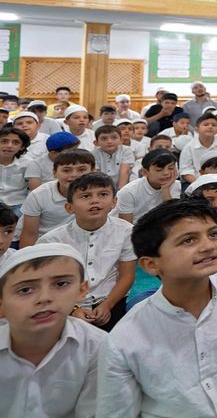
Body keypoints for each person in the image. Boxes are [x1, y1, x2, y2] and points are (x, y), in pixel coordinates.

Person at [97, 200, 217, 417]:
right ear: (151, 265)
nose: (209, 246)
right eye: (189, 240)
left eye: (213, 234)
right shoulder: (124, 340)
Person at [0, 243, 105, 418]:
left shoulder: (98, 348)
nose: (45, 298)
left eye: (61, 284)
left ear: (82, 290)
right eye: (25, 290)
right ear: (1, 302)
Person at [37, 173, 134, 331]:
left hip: (112, 301)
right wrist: (74, 309)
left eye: (103, 194)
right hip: (65, 304)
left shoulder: (126, 231)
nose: (95, 200)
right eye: (85, 196)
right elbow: (47, 283)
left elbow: (127, 275)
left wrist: (107, 305)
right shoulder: (51, 241)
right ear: (70, 207)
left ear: (114, 202)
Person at [19, 148, 94, 246]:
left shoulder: (100, 194)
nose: (74, 175)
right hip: (46, 244)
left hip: (83, 243)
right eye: (66, 170)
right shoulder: (39, 195)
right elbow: (29, 234)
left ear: (93, 171)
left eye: (82, 170)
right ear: (54, 173)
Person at [114, 149, 180, 224]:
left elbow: (173, 218)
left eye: (171, 168)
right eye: (159, 170)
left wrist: (165, 189)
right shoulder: (129, 191)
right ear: (145, 172)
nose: (166, 173)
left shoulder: (177, 185)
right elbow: (126, 226)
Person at [177, 112, 217, 187]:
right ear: (196, 129)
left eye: (214, 125)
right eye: (206, 125)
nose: (210, 127)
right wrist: (200, 183)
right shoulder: (189, 147)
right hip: (195, 182)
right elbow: (186, 171)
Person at [0, 126, 31, 217]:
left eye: (16, 142)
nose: (9, 145)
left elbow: (32, 188)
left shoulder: (27, 163)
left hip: (18, 204)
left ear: (22, 147)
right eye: (4, 141)